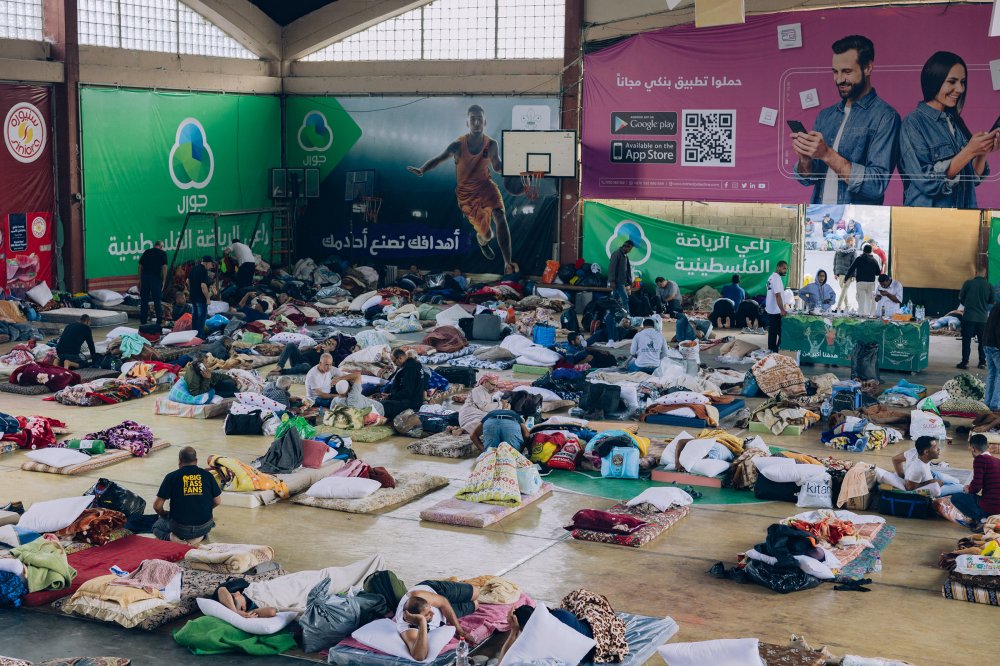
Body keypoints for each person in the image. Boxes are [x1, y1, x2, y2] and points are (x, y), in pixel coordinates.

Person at [408, 105, 517, 274]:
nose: (476, 122)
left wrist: (515, 165)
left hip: (486, 186)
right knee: (487, 234)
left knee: (499, 215)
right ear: (467, 123)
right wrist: (422, 169)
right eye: (472, 119)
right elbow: (438, 159)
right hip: (467, 195)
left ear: (484, 122)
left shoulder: (492, 144)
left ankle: (507, 262)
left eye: (479, 118)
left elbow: (497, 167)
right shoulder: (458, 145)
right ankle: (483, 242)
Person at [792, 35, 900, 205]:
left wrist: (827, 154)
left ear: (868, 68)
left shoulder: (886, 117)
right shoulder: (825, 116)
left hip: (857, 223)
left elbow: (876, 185)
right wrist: (805, 160)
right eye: (835, 72)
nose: (839, 79)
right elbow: (808, 179)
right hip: (818, 218)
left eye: (847, 72)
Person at [899, 51, 999, 209]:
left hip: (963, 220)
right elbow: (927, 181)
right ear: (934, 81)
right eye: (952, 81)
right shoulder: (913, 123)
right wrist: (969, 152)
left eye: (962, 82)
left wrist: (981, 152)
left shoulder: (955, 122)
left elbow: (972, 180)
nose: (959, 89)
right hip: (928, 224)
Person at [153, 447, 221, 545]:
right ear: (196, 461)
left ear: (180, 461)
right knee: (208, 522)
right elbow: (217, 501)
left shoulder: (171, 477)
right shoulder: (208, 475)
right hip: (203, 527)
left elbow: (157, 506)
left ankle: (172, 538)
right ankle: (198, 538)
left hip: (180, 528)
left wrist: (164, 515)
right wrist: (203, 509)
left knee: (157, 526)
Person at [395, 582, 479, 660]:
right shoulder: (406, 628)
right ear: (415, 619)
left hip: (436, 591)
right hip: (443, 615)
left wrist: (460, 631)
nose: (433, 613)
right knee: (475, 604)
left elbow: (443, 602)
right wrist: (422, 622)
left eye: (430, 608)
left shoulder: (418, 595)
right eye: (427, 614)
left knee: (476, 592)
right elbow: (419, 657)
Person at [498, 604, 594, 664]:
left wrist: (514, 631)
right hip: (593, 636)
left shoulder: (535, 644)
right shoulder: (560, 614)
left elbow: (502, 662)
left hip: (587, 654)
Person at [949, 434, 1000, 528]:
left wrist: (968, 489)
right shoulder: (997, 460)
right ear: (987, 445)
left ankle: (982, 519)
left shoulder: (980, 459)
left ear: (972, 448)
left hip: (992, 506)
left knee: (956, 497)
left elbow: (976, 487)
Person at [890, 436, 963, 496]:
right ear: (926, 452)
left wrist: (902, 477)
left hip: (931, 475)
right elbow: (910, 488)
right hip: (931, 487)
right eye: (935, 447)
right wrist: (932, 482)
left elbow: (895, 459)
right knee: (962, 487)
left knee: (957, 481)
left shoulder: (914, 451)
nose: (938, 449)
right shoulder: (918, 468)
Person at [958, 266, 994, 369]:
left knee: (966, 340)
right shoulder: (989, 286)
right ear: (985, 274)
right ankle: (982, 362)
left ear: (976, 272)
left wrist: (968, 305)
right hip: (982, 319)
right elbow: (991, 302)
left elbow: (961, 298)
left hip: (968, 317)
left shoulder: (968, 283)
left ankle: (965, 362)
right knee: (983, 342)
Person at [377, 349, 426, 420]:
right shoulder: (415, 363)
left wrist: (391, 396)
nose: (394, 364)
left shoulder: (409, 369)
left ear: (400, 358)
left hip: (412, 403)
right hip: (413, 399)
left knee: (382, 405)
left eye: (394, 361)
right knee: (381, 401)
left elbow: (407, 392)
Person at [845, 245, 881, 316]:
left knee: (861, 300)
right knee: (870, 300)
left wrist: (846, 278)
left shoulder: (859, 259)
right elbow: (878, 273)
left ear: (863, 251)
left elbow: (851, 269)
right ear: (871, 251)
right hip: (871, 283)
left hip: (860, 282)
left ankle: (861, 315)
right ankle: (870, 315)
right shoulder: (874, 261)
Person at [270, 338, 337, 377]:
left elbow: (326, 368)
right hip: (298, 359)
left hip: (306, 366)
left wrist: (326, 351)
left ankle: (282, 372)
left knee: (306, 366)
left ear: (334, 348)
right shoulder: (318, 346)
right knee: (290, 344)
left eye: (332, 344)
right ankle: (279, 366)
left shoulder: (331, 356)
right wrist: (313, 347)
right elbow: (301, 349)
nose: (330, 343)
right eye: (329, 341)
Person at [138, 240, 167, 325]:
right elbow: (164, 267)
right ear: (161, 246)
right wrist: (164, 280)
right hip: (156, 279)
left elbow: (140, 266)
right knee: (157, 301)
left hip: (145, 278)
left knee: (144, 300)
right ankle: (159, 322)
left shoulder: (147, 252)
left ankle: (143, 321)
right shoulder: (162, 253)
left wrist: (140, 279)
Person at [765, 261, 788, 352]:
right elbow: (777, 295)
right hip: (775, 310)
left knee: (773, 332)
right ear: (778, 267)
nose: (785, 270)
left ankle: (771, 350)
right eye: (784, 268)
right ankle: (776, 350)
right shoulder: (776, 279)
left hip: (770, 309)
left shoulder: (771, 277)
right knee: (782, 333)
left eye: (786, 268)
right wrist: (782, 309)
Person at [188, 255, 214, 333]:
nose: (211, 266)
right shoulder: (203, 270)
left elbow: (187, 281)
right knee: (201, 317)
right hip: (200, 298)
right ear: (207, 263)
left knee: (195, 317)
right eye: (211, 263)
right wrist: (208, 298)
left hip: (193, 297)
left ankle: (194, 335)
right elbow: (203, 285)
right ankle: (200, 336)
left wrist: (192, 289)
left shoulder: (193, 268)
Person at [607, 240, 634, 315]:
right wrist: (612, 281)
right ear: (626, 247)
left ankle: (611, 313)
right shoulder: (617, 254)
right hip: (617, 281)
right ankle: (627, 315)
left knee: (615, 299)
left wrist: (627, 282)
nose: (630, 251)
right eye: (630, 249)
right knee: (625, 298)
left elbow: (625, 270)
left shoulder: (624, 255)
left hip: (621, 281)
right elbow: (612, 268)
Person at [833, 235, 858, 311]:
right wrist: (854, 275)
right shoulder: (853, 251)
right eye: (853, 241)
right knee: (844, 290)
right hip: (848, 274)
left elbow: (835, 261)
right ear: (850, 242)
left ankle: (847, 305)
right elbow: (854, 264)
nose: (854, 243)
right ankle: (839, 306)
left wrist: (835, 272)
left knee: (844, 290)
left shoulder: (839, 250)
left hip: (840, 273)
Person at [982, 305, 1000, 411]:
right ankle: (995, 405)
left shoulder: (996, 306)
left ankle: (987, 403)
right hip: (996, 346)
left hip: (987, 343)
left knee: (992, 374)